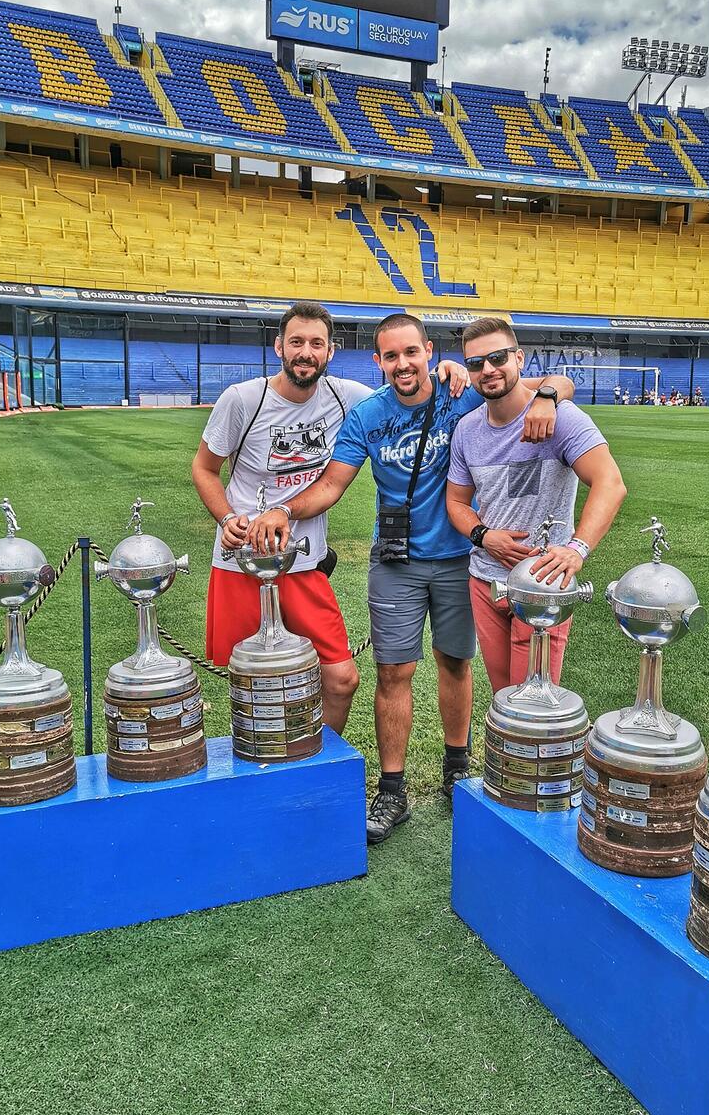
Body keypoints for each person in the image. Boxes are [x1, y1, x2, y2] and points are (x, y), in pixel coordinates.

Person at [245, 313, 574, 844]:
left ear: (429, 351)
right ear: (378, 361)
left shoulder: (460, 393)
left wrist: (547, 398)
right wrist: (285, 509)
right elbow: (331, 485)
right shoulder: (368, 416)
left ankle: (456, 767)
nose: (403, 364)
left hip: (459, 560)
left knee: (454, 663)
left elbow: (555, 382)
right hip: (396, 562)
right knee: (393, 672)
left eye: (411, 353)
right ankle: (393, 789)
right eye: (390, 356)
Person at [190, 301, 469, 733]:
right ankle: (260, 765)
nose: (306, 352)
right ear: (279, 346)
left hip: (304, 560)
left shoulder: (348, 398)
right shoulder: (242, 400)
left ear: (330, 351)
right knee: (251, 679)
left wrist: (449, 369)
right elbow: (204, 469)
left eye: (316, 343)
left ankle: (316, 762)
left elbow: (403, 389)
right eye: (297, 342)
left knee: (340, 679)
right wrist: (227, 519)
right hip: (242, 560)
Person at [445, 318, 627, 694]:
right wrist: (483, 535)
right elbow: (456, 502)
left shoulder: (562, 417)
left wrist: (576, 549)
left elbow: (610, 483)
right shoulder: (466, 430)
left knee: (537, 701)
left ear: (519, 358)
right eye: (476, 363)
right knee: (502, 697)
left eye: (498, 358)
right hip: (485, 580)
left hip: (543, 583)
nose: (488, 370)